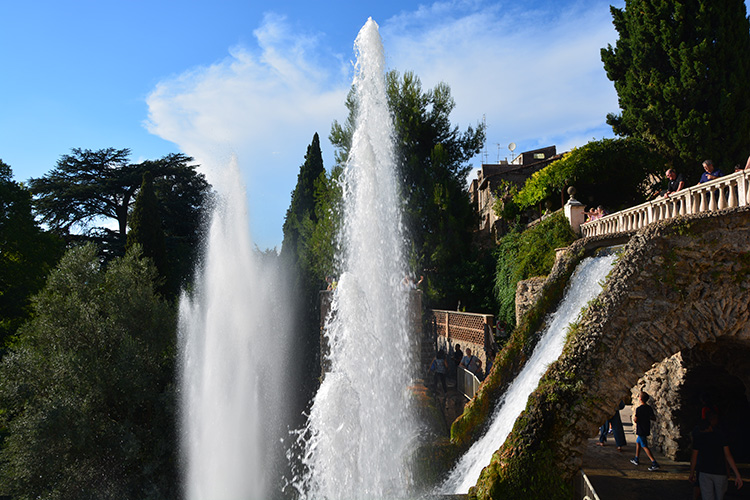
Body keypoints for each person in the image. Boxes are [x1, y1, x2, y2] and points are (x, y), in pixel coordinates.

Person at [689, 410, 743, 500]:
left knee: (707, 496)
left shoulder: (699, 439)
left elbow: (694, 458)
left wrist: (692, 473)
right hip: (720, 472)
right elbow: (728, 455)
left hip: (704, 471)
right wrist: (737, 474)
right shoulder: (720, 436)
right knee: (720, 496)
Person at [630, 391, 660, 471]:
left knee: (644, 446)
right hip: (646, 427)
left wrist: (635, 419)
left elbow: (636, 420)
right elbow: (653, 418)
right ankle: (636, 458)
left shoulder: (639, 409)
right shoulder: (649, 408)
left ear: (640, 399)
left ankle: (654, 462)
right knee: (638, 442)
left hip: (641, 429)